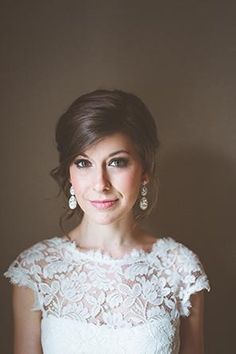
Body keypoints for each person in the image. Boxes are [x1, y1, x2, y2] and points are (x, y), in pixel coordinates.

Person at [5, 89, 210, 354]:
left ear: (145, 170)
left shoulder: (181, 268)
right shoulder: (35, 271)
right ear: (69, 173)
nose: (100, 184)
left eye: (116, 162)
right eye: (83, 163)